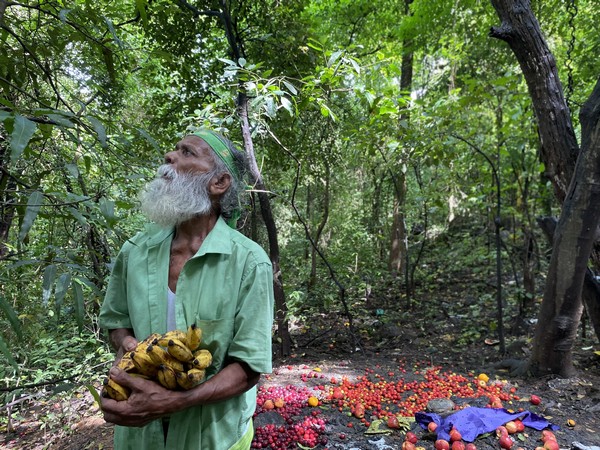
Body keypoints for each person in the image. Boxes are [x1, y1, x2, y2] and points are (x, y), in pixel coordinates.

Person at [98, 129, 275, 450]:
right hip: (137, 436)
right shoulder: (135, 251)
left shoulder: (250, 263)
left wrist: (173, 402)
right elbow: (116, 319)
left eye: (187, 153)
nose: (169, 156)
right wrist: (126, 342)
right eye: (174, 149)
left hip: (214, 438)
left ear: (218, 183)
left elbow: (248, 368)